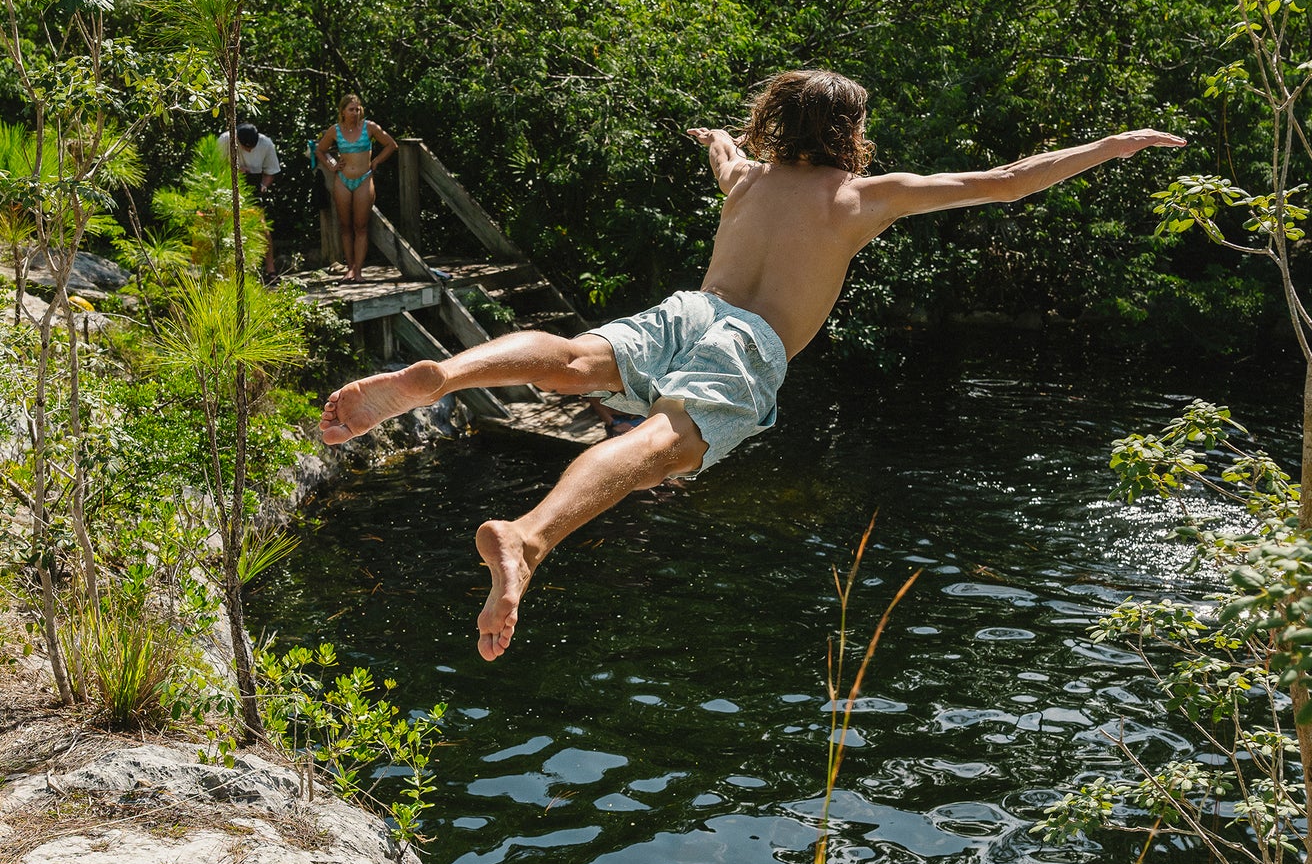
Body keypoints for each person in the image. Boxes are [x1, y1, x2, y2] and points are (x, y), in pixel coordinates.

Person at [319, 70, 1185, 661]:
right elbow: (1004, 178)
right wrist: (1112, 144)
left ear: (776, 124)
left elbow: (726, 157)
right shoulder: (860, 198)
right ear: (848, 132)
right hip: (748, 342)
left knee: (580, 360)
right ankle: (528, 537)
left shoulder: (746, 183)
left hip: (689, 307)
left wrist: (715, 142)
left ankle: (449, 371)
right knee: (664, 440)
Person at [316, 94, 399, 280]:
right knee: (345, 226)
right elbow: (320, 150)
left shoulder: (369, 127)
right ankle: (350, 269)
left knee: (360, 226)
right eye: (351, 109)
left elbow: (391, 144)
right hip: (343, 180)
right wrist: (331, 164)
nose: (355, 112)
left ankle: (359, 271)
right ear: (343, 111)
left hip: (364, 179)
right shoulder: (335, 130)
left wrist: (376, 161)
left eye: (357, 109)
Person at [218, 121, 280, 280]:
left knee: (261, 228)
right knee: (226, 228)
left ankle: (270, 269)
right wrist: (235, 171)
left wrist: (263, 187)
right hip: (227, 186)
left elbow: (270, 171)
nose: (250, 150)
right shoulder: (225, 141)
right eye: (247, 147)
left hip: (254, 185)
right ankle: (229, 273)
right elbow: (214, 169)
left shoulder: (266, 144)